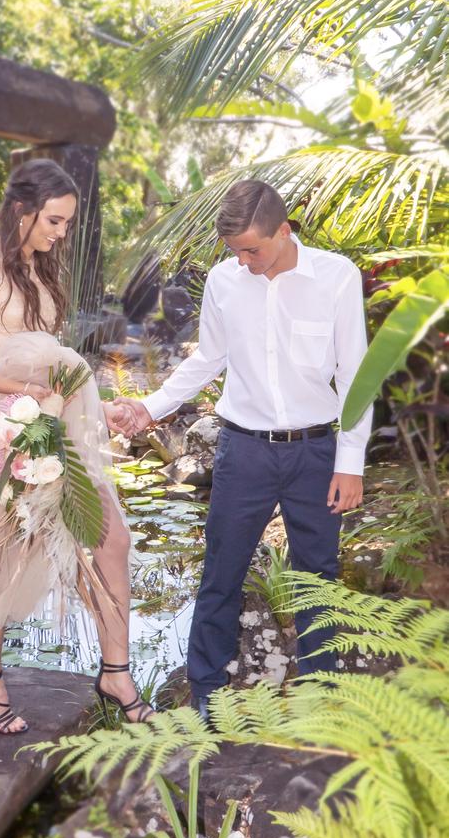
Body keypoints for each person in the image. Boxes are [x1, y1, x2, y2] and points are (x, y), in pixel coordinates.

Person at [117, 179, 373, 721]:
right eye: (235, 251)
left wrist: (351, 463)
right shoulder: (224, 280)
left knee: (316, 580)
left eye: (252, 249)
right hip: (243, 452)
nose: (244, 261)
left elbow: (355, 376)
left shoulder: (336, 277)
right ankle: (206, 695)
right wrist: (151, 406)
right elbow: (207, 358)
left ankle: (321, 700)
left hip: (317, 453)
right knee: (221, 574)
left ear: (285, 230)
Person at [0, 158, 154, 733]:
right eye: (54, 220)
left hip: (58, 418)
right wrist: (19, 390)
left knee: (110, 539)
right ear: (22, 210)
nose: (61, 233)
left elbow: (53, 358)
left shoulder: (39, 267)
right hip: (8, 420)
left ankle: (116, 671)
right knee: (0, 551)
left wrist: (100, 401)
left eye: (68, 223)